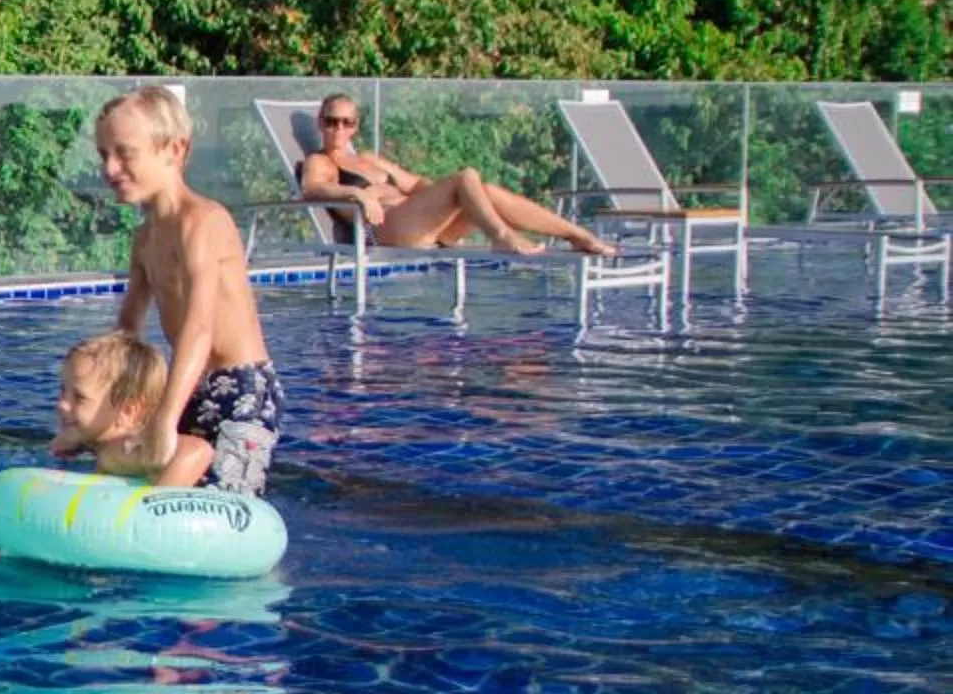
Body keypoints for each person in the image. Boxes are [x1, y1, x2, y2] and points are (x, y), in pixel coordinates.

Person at [105, 87, 282, 497]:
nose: (111, 168)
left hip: (243, 389)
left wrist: (166, 418)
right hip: (188, 385)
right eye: (104, 155)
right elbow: (127, 329)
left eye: (124, 153)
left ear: (174, 149)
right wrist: (101, 410)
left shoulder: (203, 222)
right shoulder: (145, 236)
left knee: (214, 505)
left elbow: (199, 327)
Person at [298, 92, 616, 257]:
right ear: (320, 123)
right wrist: (357, 193)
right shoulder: (321, 160)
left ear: (356, 125)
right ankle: (501, 237)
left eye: (346, 122)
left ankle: (576, 235)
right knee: (466, 177)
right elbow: (311, 189)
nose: (338, 128)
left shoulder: (370, 159)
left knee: (483, 189)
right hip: (389, 231)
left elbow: (418, 183)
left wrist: (448, 199)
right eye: (331, 121)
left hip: (422, 223)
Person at [50, 331, 213, 486]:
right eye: (63, 390)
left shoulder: (117, 450)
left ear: (128, 412)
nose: (61, 404)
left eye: (79, 398)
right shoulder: (102, 443)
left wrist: (150, 508)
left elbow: (197, 451)